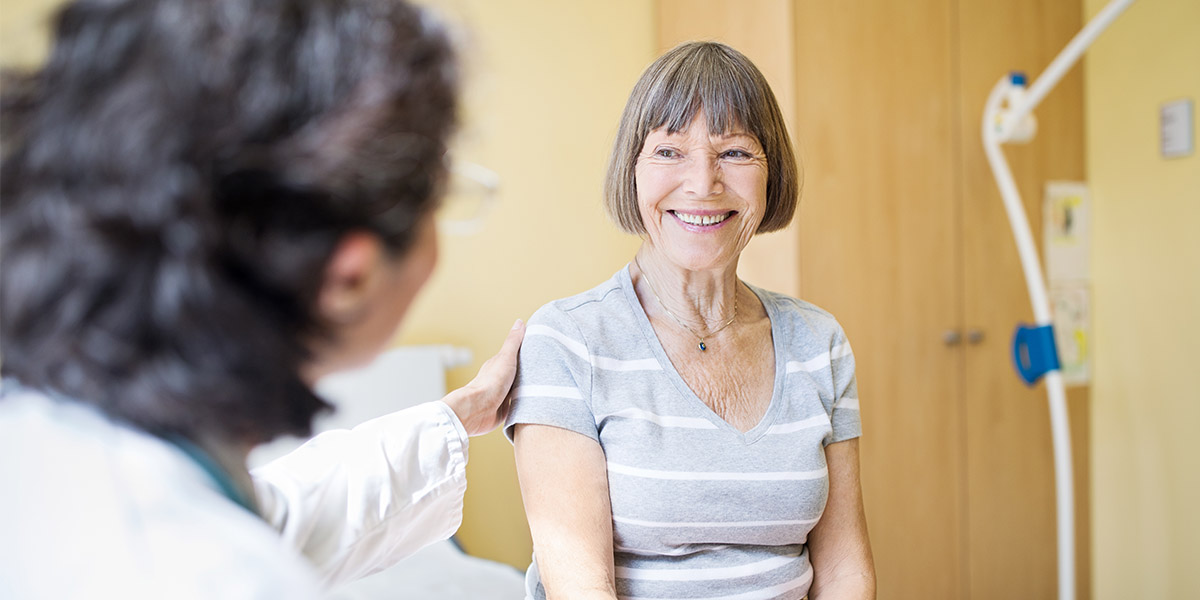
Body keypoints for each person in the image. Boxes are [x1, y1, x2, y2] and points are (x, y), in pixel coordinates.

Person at [0, 0, 524, 597]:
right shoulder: (212, 572)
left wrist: (457, 418)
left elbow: (273, 517)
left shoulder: (58, 440)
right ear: (348, 277)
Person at [507, 42, 876, 599]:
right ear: (631, 171)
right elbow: (579, 588)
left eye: (735, 153)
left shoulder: (818, 341)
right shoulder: (567, 342)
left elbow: (846, 565)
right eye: (669, 151)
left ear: (771, 174)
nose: (703, 183)